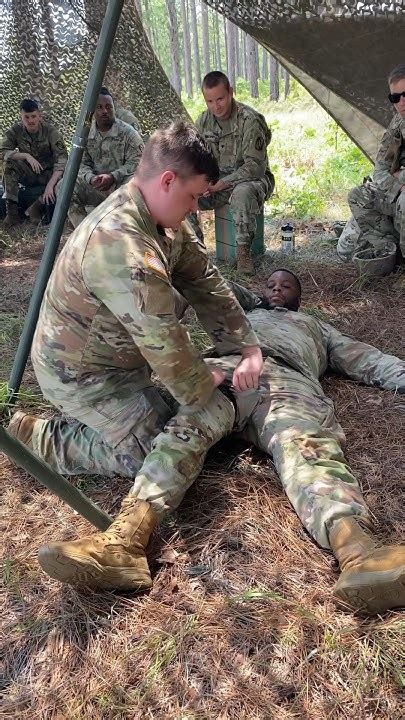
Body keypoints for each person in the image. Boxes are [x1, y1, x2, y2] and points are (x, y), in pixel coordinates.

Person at [15, 269, 405, 616]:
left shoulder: (316, 327)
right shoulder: (244, 313)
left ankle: (358, 551)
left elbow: (368, 360)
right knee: (177, 435)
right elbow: (205, 283)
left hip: (283, 382)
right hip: (221, 373)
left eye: (286, 286)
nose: (276, 289)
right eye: (270, 283)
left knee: (305, 445)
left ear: (299, 297)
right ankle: (124, 540)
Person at [8, 119, 264, 580]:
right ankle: (42, 437)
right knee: (156, 447)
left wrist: (246, 346)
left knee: (179, 433)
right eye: (192, 198)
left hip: (119, 360)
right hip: (81, 376)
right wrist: (205, 381)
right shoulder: (121, 244)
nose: (193, 210)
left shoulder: (159, 219)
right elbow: (165, 345)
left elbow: (203, 279)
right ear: (167, 181)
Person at [189, 71, 275, 275]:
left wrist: (223, 183)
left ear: (231, 93)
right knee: (184, 194)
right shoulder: (203, 121)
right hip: (218, 183)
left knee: (242, 193)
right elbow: (196, 161)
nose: (216, 106)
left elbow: (255, 167)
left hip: (254, 180)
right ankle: (196, 252)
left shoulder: (249, 119)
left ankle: (243, 254)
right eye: (210, 101)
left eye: (220, 98)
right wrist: (203, 183)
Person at [338, 63, 405, 263]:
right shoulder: (398, 122)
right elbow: (380, 170)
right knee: (359, 196)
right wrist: (399, 185)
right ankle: (390, 252)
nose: (401, 102)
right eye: (395, 97)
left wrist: (400, 176)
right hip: (399, 191)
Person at [67, 87, 144, 228]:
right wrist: (91, 178)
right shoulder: (85, 134)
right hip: (97, 187)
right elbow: (81, 163)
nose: (104, 111)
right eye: (99, 107)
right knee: (64, 186)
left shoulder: (128, 133)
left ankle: (127, 228)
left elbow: (137, 162)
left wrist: (113, 176)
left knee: (137, 184)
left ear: (114, 108)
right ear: (93, 111)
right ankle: (85, 231)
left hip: (121, 186)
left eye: (109, 107)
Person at [0, 98, 68, 227]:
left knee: (66, 176)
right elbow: (2, 151)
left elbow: (62, 159)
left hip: (49, 174)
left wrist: (50, 186)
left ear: (39, 116)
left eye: (33, 116)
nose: (30, 121)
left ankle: (36, 207)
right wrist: (25, 156)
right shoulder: (16, 130)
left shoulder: (51, 132)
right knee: (9, 165)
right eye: (26, 117)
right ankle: (12, 214)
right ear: (21, 116)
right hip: (29, 173)